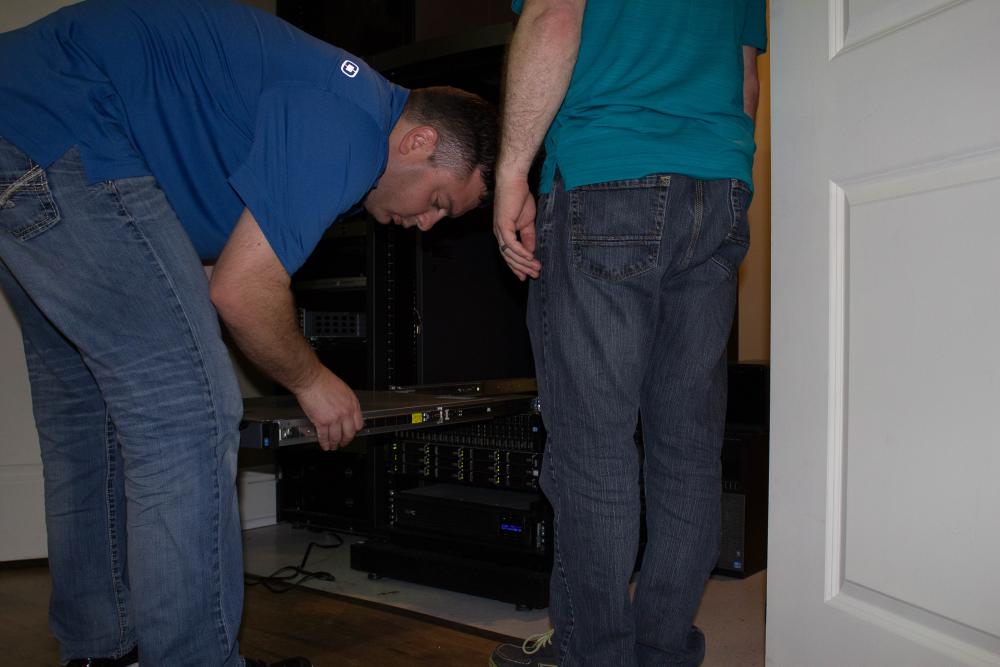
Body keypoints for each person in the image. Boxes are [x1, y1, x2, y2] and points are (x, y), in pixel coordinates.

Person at [0, 0, 496, 665]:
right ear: (419, 142)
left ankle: (101, 651)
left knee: (84, 415)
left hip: (23, 120)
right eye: (438, 201)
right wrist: (312, 380)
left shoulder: (328, 98)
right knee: (189, 412)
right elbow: (241, 290)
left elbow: (205, 253)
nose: (428, 225)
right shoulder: (351, 127)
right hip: (68, 128)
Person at [490, 1, 765, 665]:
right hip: (719, 183)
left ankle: (595, 655)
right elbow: (745, 78)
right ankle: (661, 650)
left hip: (608, 169)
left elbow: (554, 15)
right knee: (687, 446)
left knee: (594, 445)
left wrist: (511, 171)